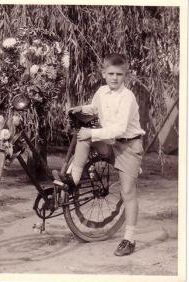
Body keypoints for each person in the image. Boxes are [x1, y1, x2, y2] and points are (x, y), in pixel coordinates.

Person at [67, 53, 145, 256]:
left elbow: (119, 129)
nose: (114, 78)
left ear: (125, 75)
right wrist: (81, 108)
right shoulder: (102, 91)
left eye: (119, 74)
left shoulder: (128, 97)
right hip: (109, 143)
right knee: (83, 137)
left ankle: (130, 237)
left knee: (128, 192)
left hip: (128, 145)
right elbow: (94, 108)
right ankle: (73, 179)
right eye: (110, 73)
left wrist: (92, 132)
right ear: (103, 74)